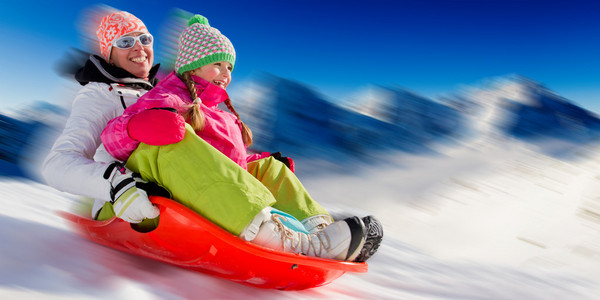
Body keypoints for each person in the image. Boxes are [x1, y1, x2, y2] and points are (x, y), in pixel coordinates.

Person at [100, 15, 383, 262]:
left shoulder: (218, 113)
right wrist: (137, 127)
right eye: (218, 65)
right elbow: (111, 138)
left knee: (270, 167)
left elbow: (220, 160)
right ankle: (283, 240)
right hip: (162, 189)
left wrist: (256, 162)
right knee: (178, 138)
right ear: (193, 66)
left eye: (230, 68)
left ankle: (317, 230)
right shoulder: (167, 97)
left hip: (207, 189)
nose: (226, 75)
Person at [43, 10, 166, 224]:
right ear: (109, 54)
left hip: (168, 186)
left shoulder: (160, 94)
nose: (139, 47)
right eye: (126, 41)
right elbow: (57, 164)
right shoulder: (100, 93)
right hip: (127, 201)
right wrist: (117, 183)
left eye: (144, 39)